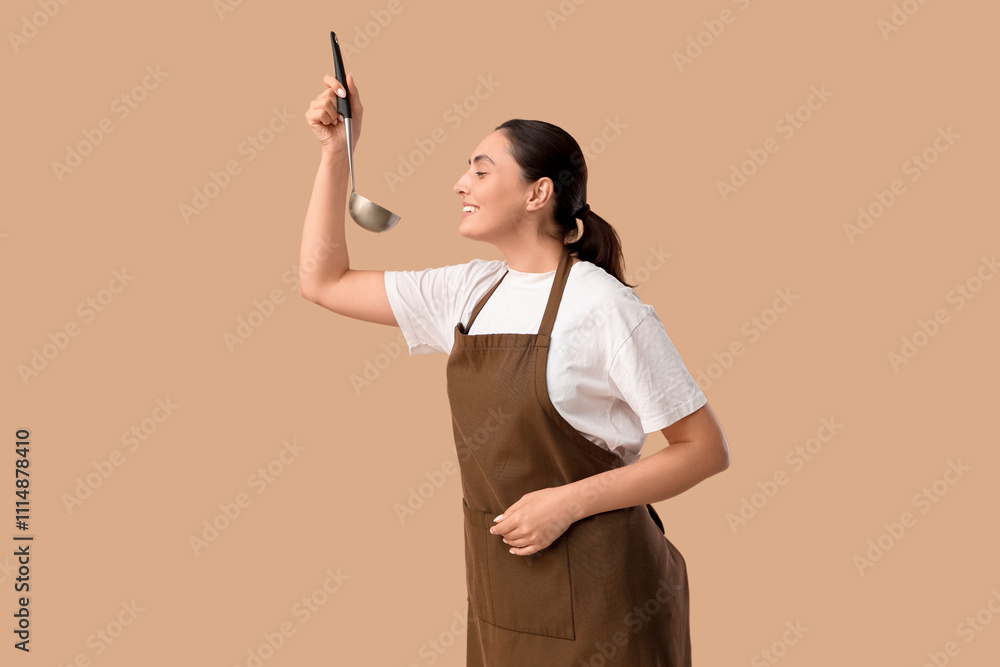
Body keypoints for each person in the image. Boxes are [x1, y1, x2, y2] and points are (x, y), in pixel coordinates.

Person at [300, 72, 731, 667]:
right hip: (506, 591)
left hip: (611, 595)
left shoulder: (603, 306)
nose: (459, 184)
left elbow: (703, 449)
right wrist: (333, 155)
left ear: (537, 194)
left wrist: (568, 502)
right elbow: (324, 282)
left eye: (480, 171)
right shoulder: (469, 291)